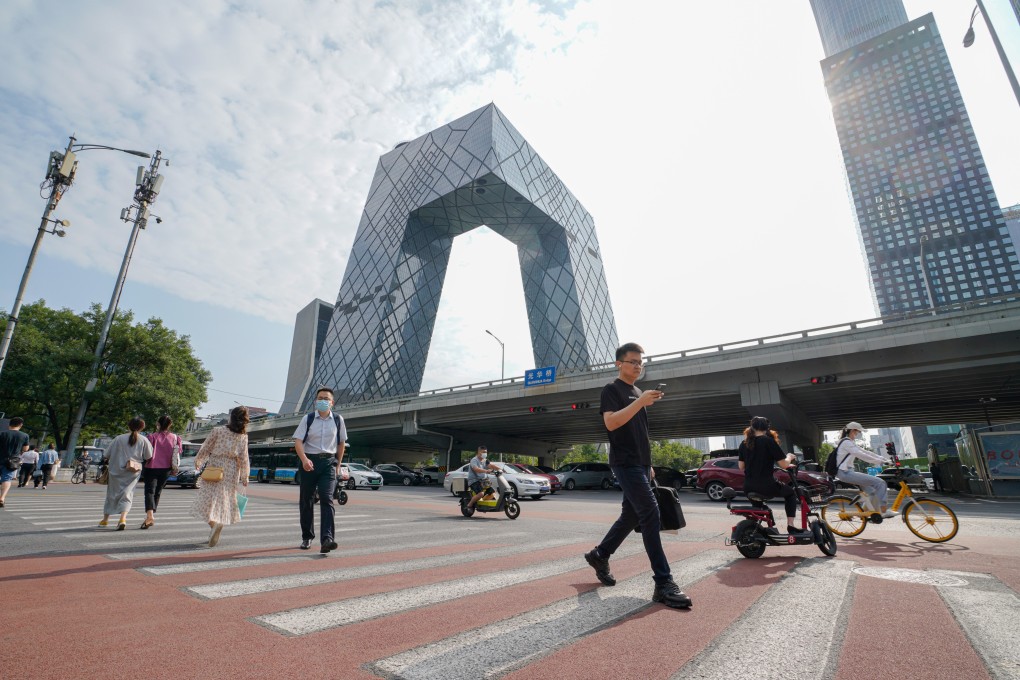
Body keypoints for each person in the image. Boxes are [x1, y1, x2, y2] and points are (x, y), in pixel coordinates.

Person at [583, 342, 692, 609]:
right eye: (632, 361)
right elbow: (611, 423)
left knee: (630, 515)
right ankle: (663, 582)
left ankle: (600, 554)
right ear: (619, 364)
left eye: (640, 362)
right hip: (624, 462)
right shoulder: (612, 389)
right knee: (650, 513)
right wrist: (641, 401)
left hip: (641, 463)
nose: (637, 366)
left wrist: (649, 463)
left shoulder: (638, 391)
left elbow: (639, 431)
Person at [293, 387, 346, 554]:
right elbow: (298, 441)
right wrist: (304, 460)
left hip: (328, 463)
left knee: (326, 498)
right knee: (306, 500)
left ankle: (327, 539)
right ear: (316, 401)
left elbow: (341, 443)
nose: (323, 401)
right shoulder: (308, 419)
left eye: (326, 398)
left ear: (332, 402)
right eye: (320, 398)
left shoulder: (338, 419)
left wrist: (338, 465)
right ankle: (307, 536)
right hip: (309, 462)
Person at [190, 406, 250, 547]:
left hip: (215, 466)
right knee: (224, 500)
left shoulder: (218, 431)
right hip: (231, 470)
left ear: (231, 417)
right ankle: (216, 525)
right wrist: (245, 476)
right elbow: (244, 458)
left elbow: (207, 447)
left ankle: (213, 524)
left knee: (206, 499)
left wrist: (199, 460)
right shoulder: (242, 437)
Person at [737, 417, 805, 534]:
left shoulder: (744, 444)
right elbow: (783, 464)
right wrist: (789, 457)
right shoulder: (769, 441)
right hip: (767, 485)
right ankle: (791, 525)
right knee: (790, 494)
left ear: (752, 427)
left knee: (759, 508)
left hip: (748, 487)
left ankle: (766, 529)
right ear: (767, 428)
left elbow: (741, 467)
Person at [99, 417, 154, 530]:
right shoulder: (143, 440)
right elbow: (148, 456)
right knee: (127, 494)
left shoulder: (118, 438)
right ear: (142, 427)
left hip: (115, 471)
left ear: (128, 426)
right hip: (132, 471)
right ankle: (123, 519)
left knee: (111, 494)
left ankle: (105, 520)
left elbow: (106, 454)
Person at [831, 421, 893, 517]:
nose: (858, 434)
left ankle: (865, 513)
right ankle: (883, 511)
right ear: (852, 431)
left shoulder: (850, 442)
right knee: (880, 483)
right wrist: (880, 462)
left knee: (872, 491)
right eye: (857, 432)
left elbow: (866, 452)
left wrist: (884, 460)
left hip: (847, 472)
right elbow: (861, 455)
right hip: (844, 473)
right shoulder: (846, 443)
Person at [141, 415, 181, 529]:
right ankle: (149, 517)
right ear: (170, 425)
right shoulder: (175, 437)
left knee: (149, 491)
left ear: (158, 424)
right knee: (158, 492)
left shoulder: (151, 437)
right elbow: (177, 453)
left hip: (151, 467)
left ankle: (150, 516)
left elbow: (146, 453)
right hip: (166, 469)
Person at [0, 417, 31, 507]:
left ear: (9, 424)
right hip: (12, 461)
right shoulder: (25, 436)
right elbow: (25, 449)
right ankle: (2, 498)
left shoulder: (2, 434)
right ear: (21, 425)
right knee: (7, 479)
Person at [464, 445, 498, 511]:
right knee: (481, 494)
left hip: (483, 481)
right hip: (474, 481)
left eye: (486, 452)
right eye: (483, 452)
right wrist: (486, 471)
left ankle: (482, 504)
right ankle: (469, 505)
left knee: (493, 493)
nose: (485, 454)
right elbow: (476, 469)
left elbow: (491, 465)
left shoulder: (485, 460)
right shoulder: (474, 460)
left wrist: (500, 469)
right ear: (479, 452)